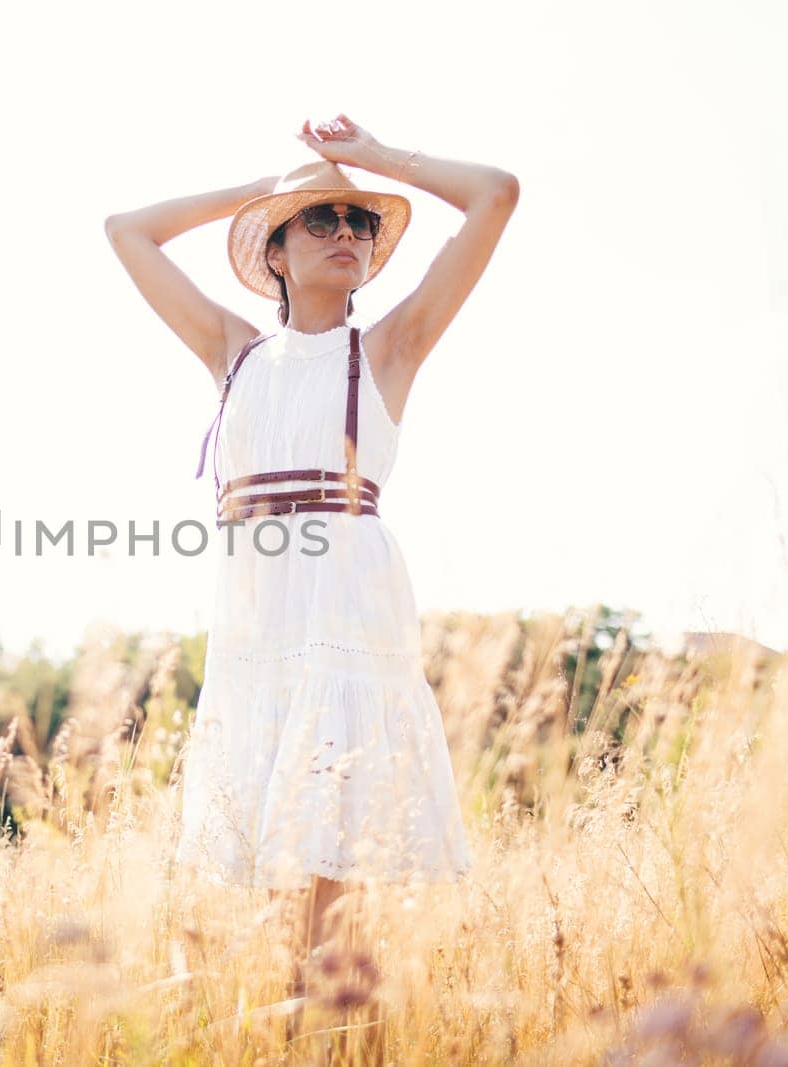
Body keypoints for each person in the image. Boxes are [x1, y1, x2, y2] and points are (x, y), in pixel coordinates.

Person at [103, 116, 519, 969]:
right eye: (321, 219)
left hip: (346, 619)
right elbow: (127, 232)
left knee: (332, 884)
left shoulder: (391, 349)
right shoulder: (234, 353)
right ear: (276, 253)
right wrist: (261, 193)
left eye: (360, 221)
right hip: (258, 629)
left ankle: (339, 1041)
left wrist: (369, 161)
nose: (347, 232)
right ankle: (306, 1042)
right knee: (279, 889)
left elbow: (494, 194)